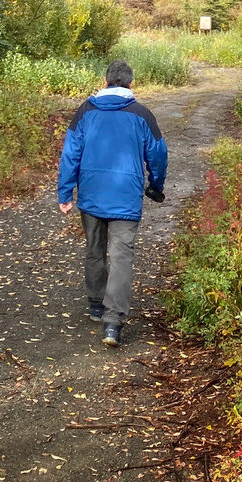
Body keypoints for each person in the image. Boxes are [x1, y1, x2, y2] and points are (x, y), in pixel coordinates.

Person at [56, 59, 167, 347]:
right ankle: (113, 322)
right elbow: (157, 154)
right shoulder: (142, 114)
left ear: (105, 82)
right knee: (121, 256)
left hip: (92, 193)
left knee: (94, 248)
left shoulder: (86, 111)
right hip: (126, 195)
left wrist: (65, 192)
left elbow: (71, 153)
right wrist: (155, 185)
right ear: (131, 84)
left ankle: (95, 304)